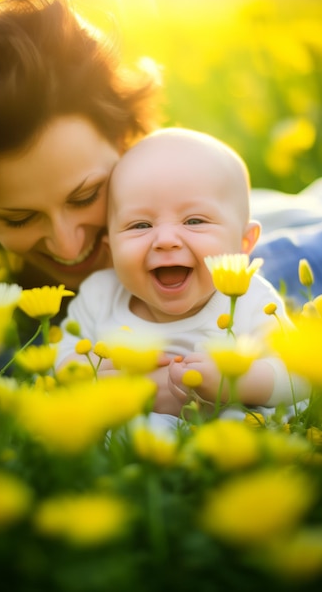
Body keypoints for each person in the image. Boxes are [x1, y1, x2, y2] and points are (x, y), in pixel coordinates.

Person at [0, 0, 160, 293]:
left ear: (121, 139)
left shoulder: (208, 218)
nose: (67, 247)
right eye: (19, 219)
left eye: (86, 197)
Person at [56, 128, 309, 420]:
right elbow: (61, 362)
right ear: (110, 249)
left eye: (194, 220)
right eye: (140, 225)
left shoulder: (251, 299)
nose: (165, 239)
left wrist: (239, 382)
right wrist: (86, 373)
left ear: (243, 244)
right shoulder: (99, 296)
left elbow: (298, 376)